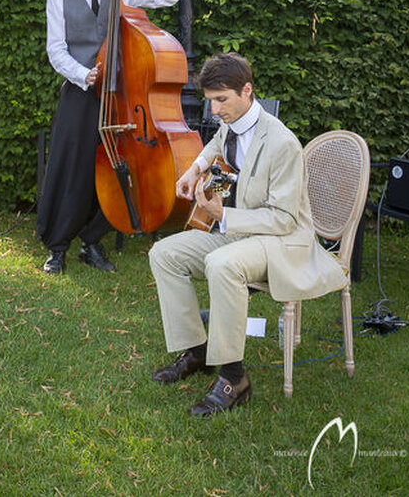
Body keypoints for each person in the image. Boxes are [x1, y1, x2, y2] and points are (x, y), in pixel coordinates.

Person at [148, 51, 347, 416]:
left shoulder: (282, 142)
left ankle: (233, 377)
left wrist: (223, 215)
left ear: (247, 90)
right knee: (164, 254)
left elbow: (285, 219)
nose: (215, 110)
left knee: (222, 263)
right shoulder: (232, 123)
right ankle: (198, 351)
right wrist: (194, 168)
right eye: (210, 101)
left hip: (283, 243)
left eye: (221, 100)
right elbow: (217, 142)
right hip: (240, 234)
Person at [37, 0, 180, 274]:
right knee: (71, 167)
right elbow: (56, 50)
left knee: (119, 169)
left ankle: (92, 241)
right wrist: (83, 75)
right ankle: (57, 247)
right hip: (81, 93)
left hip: (120, 95)